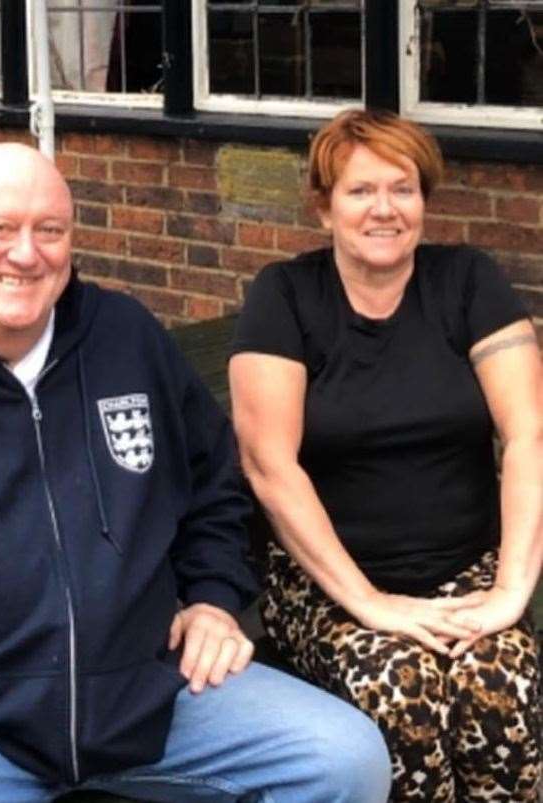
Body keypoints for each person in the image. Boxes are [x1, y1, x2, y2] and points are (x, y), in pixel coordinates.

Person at [0, 142, 392, 803]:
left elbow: (216, 483)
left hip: (143, 696)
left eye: (50, 230)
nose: (26, 253)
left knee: (343, 759)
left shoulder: (124, 337)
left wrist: (212, 596)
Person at [229, 109, 542, 802]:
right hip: (329, 582)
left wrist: (510, 592)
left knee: (499, 676)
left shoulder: (467, 281)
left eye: (403, 189)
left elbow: (529, 436)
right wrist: (373, 603)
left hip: (466, 566)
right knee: (402, 686)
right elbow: (270, 467)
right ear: (324, 205)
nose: (385, 209)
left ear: (425, 199)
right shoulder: (284, 296)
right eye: (360, 190)